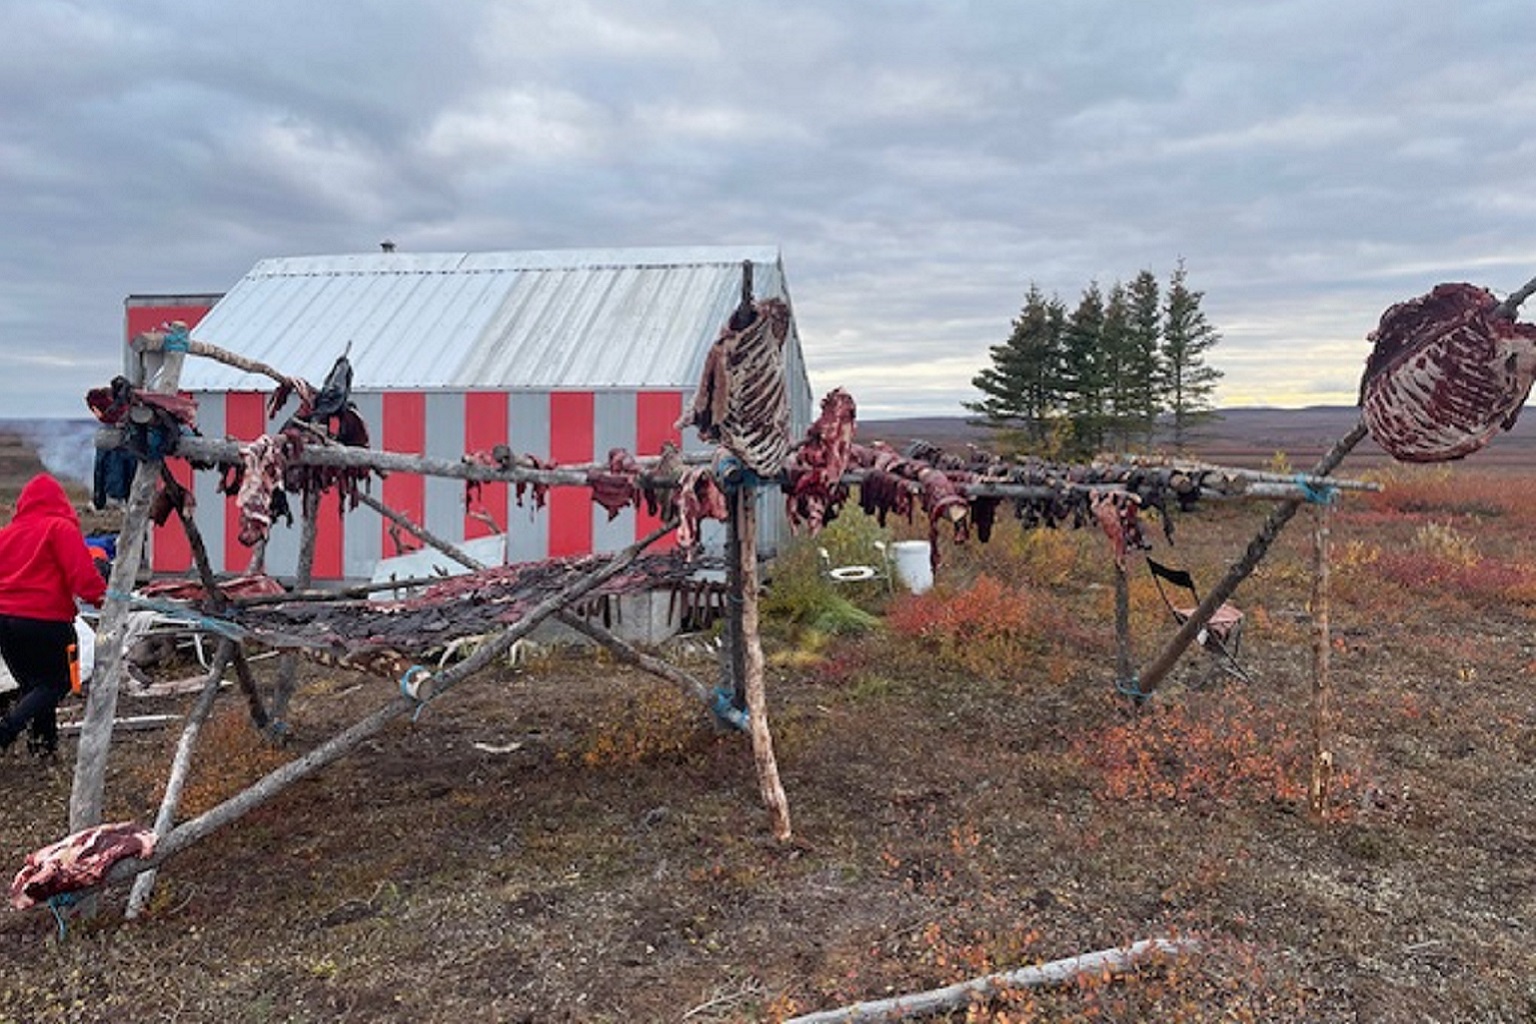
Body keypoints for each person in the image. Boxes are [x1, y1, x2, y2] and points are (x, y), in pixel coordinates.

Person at [0, 474, 108, 757]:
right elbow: (82, 576)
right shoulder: (60, 528)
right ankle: (6, 731)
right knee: (56, 682)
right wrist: (101, 598)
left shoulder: (6, 534)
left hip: (5, 621)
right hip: (45, 620)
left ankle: (43, 747)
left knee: (33, 686)